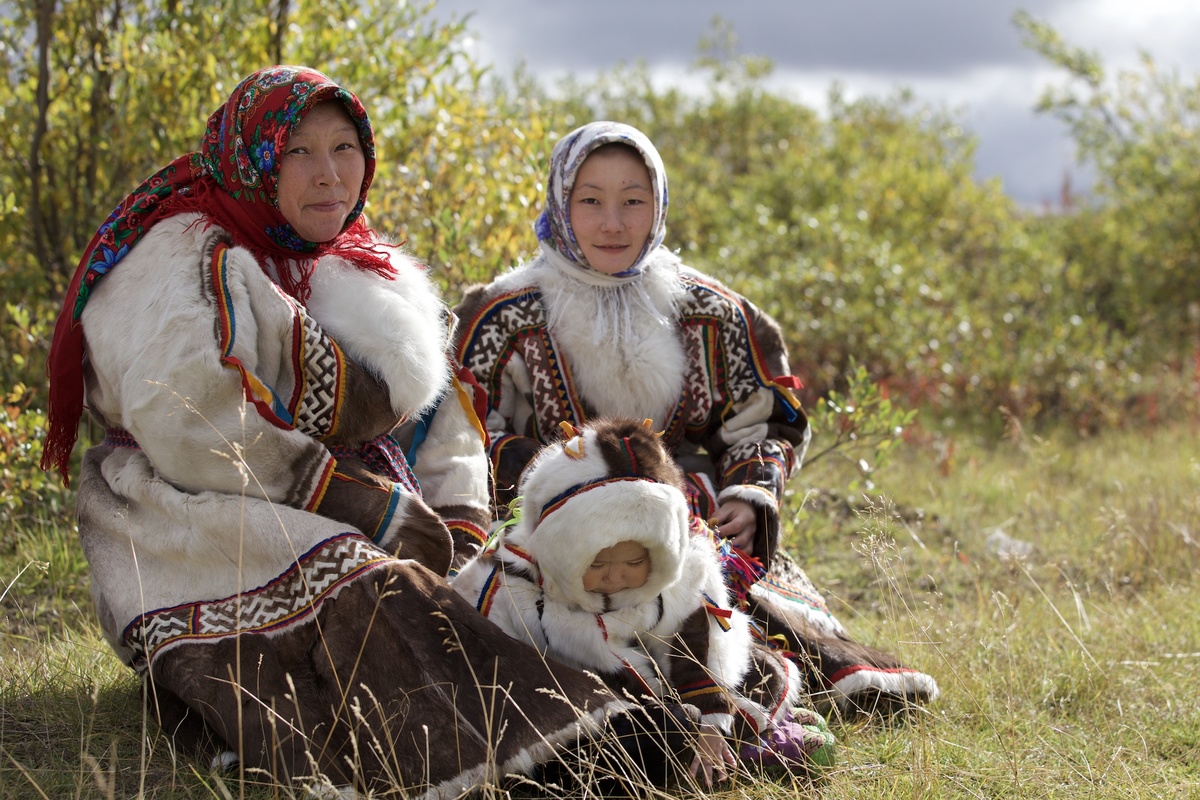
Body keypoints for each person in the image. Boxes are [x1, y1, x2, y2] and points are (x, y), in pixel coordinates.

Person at [41, 69, 693, 797]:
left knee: (497, 587)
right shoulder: (183, 252)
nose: (329, 175)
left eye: (344, 148)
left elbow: (445, 425)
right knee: (360, 582)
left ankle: (607, 720)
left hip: (368, 507)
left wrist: (460, 522)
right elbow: (189, 424)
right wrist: (363, 504)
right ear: (255, 160)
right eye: (298, 153)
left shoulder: (365, 265)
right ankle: (549, 757)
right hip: (191, 512)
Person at [453, 120, 940, 717]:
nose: (613, 222)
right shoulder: (502, 314)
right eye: (591, 201)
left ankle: (805, 679)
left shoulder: (711, 311)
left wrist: (748, 492)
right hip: (550, 530)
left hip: (692, 519)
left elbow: (763, 420)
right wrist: (571, 489)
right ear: (560, 203)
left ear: (658, 205)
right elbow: (468, 432)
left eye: (634, 201)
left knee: (733, 587)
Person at [452, 418, 837, 788]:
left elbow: (695, 650)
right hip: (584, 698)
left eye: (634, 563)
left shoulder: (679, 575)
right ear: (559, 547)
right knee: (635, 733)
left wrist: (711, 719)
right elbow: (489, 661)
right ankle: (746, 741)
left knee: (761, 667)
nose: (616, 577)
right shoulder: (513, 586)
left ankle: (736, 732)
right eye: (597, 563)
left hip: (669, 682)